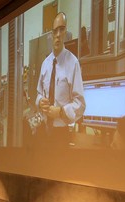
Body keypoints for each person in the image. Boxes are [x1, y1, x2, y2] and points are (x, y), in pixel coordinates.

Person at [35, 12, 86, 145]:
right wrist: (40, 101)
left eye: (61, 29)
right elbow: (39, 93)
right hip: (43, 130)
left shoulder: (73, 63)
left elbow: (80, 104)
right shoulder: (45, 63)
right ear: (51, 34)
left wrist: (61, 112)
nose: (58, 34)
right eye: (55, 31)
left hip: (61, 134)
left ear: (66, 32)